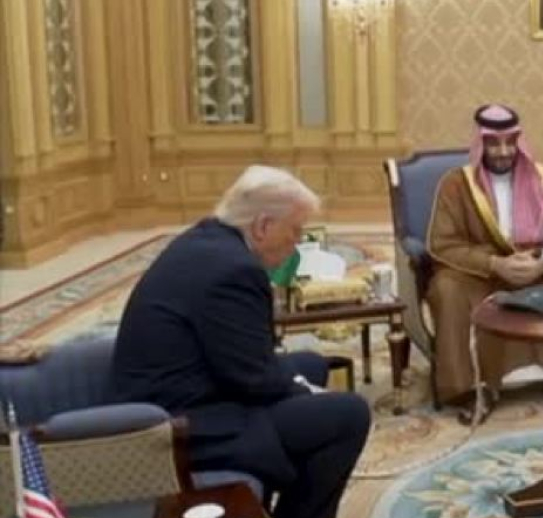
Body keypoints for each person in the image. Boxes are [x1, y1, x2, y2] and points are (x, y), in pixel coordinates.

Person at [110, 166, 370, 518]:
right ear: (263, 226)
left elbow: (246, 361)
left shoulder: (209, 240)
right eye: (295, 230)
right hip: (184, 425)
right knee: (349, 414)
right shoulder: (233, 270)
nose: (297, 242)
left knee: (310, 364)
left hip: (195, 388)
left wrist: (299, 381)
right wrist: (304, 391)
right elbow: (254, 378)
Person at [427, 103, 543, 412]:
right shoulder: (455, 185)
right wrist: (495, 264)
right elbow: (444, 244)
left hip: (535, 269)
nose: (503, 152)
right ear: (480, 144)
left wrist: (542, 263)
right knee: (446, 287)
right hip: (483, 274)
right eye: (494, 144)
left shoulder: (542, 179)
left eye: (510, 142)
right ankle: (465, 388)